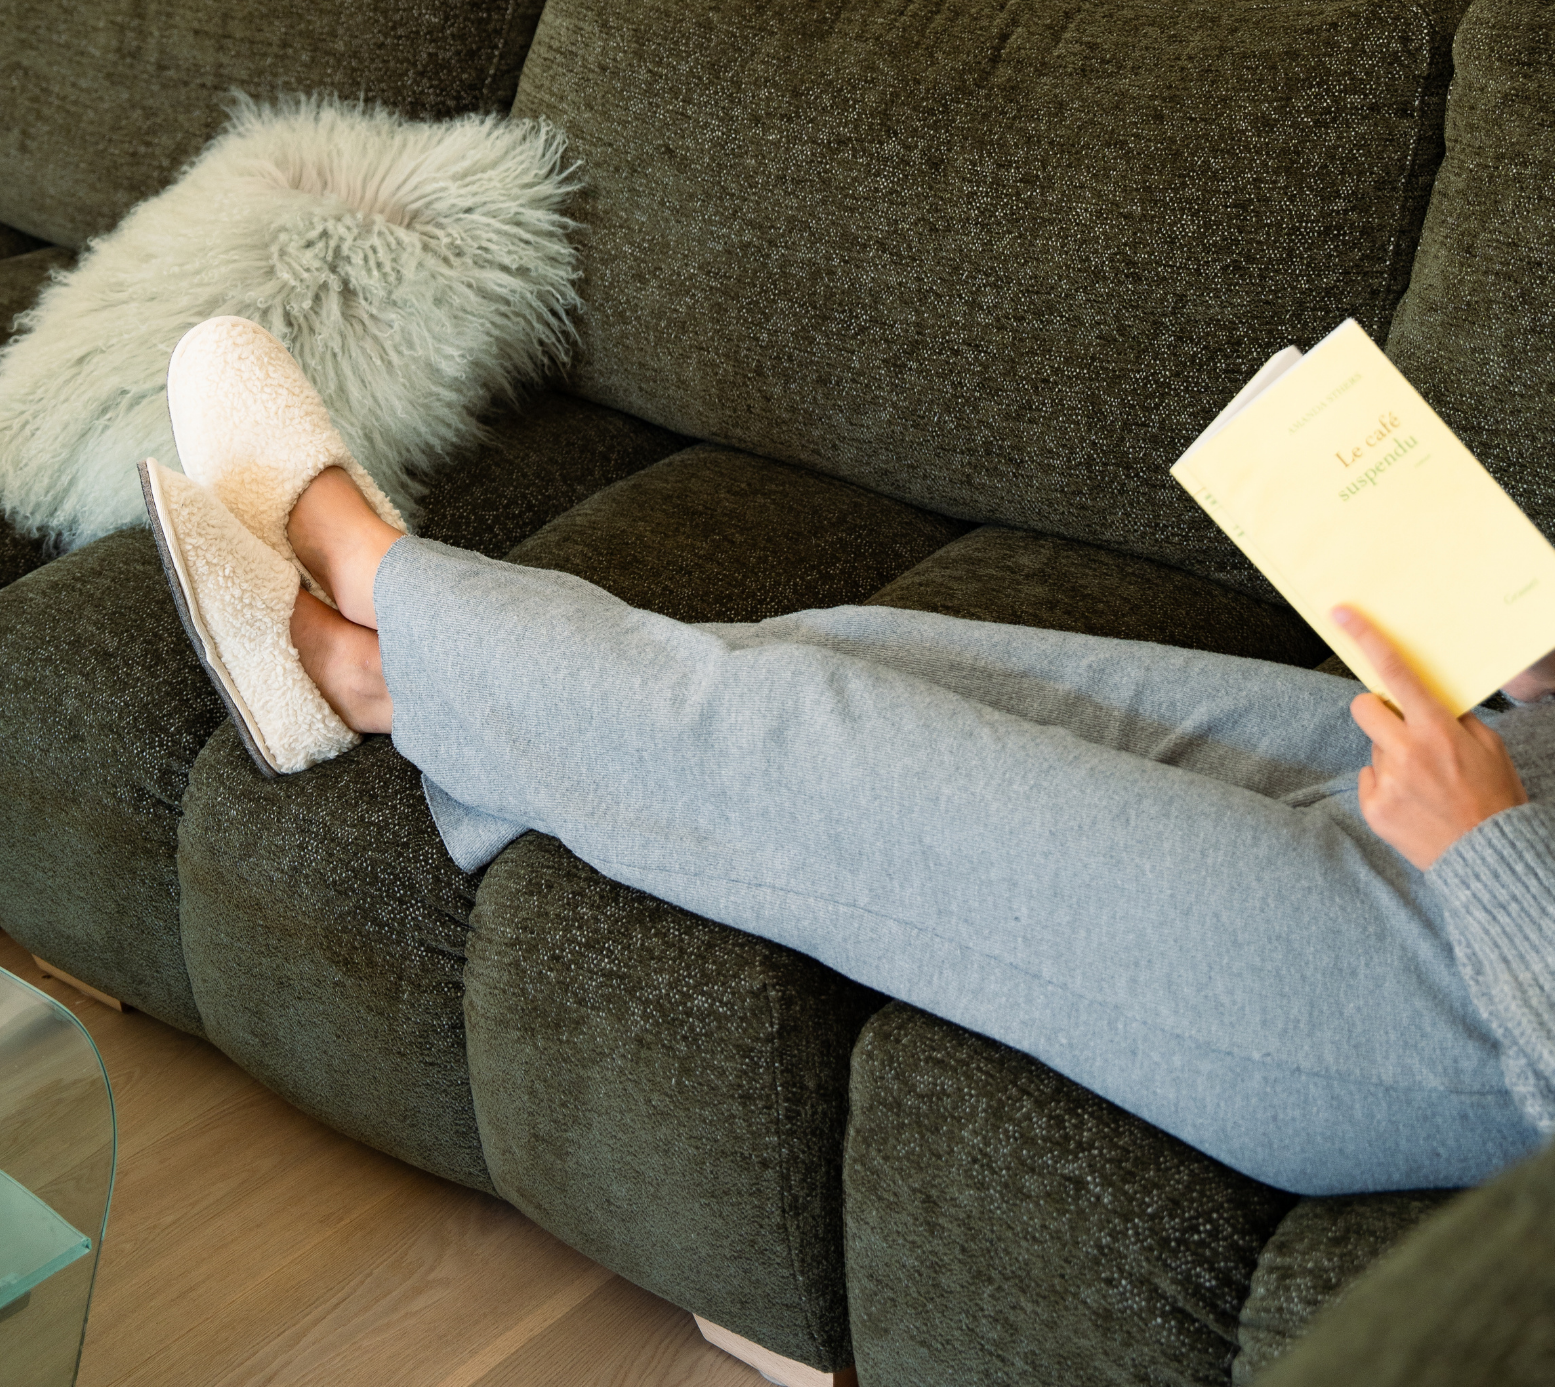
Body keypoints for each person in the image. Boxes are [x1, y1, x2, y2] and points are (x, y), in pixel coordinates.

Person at [142, 318, 1555, 1202]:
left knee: (809, 752)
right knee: (859, 652)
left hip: (1442, 1009)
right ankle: (399, 678)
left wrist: (1488, 852)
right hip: (1514, 771)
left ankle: (362, 593)